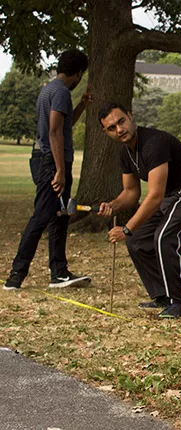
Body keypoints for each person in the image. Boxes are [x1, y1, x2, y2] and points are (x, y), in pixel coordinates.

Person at [97, 102, 181, 318]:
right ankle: (162, 296)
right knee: (137, 240)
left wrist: (127, 228)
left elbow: (155, 195)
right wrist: (113, 206)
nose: (119, 129)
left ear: (130, 116)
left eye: (121, 121)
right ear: (105, 132)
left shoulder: (153, 142)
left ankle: (179, 302)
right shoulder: (125, 153)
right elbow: (131, 192)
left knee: (164, 237)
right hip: (169, 196)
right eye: (111, 128)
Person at [4, 49, 93, 291]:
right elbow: (54, 132)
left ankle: (59, 273)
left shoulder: (49, 90)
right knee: (42, 216)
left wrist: (82, 105)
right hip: (51, 162)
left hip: (43, 158)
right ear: (77, 73)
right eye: (80, 76)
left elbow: (62, 125)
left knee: (59, 216)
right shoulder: (62, 92)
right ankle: (16, 275)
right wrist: (60, 171)